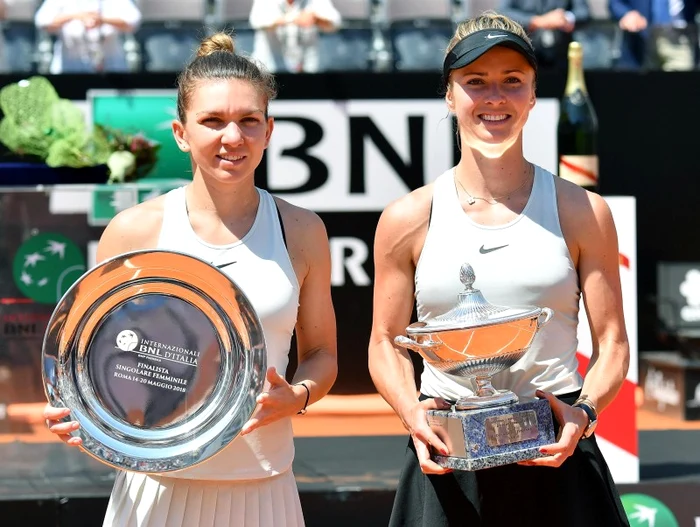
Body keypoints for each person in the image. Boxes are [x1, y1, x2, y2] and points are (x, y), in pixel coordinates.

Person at [43, 31, 338, 526]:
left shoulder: (303, 230)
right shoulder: (134, 229)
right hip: (154, 491)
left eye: (248, 121)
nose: (232, 137)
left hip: (264, 487)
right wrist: (76, 411)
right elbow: (94, 363)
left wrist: (298, 396)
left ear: (269, 130)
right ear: (180, 133)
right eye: (213, 121)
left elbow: (322, 354)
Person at [368, 11, 631, 527]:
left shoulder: (583, 211)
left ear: (533, 95)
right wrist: (412, 414)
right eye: (476, 82)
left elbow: (613, 343)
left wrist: (587, 413)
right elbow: (384, 341)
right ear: (449, 95)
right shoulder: (406, 218)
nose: (494, 98)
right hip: (447, 455)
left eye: (512, 82)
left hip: (559, 456)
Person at [34, 0, 141, 73]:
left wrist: (103, 20)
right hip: (70, 69)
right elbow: (42, 21)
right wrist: (75, 16)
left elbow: (134, 21)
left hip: (111, 68)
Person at [249, 0, 341, 73]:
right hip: (270, 70)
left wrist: (316, 19)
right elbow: (256, 21)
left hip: (308, 69)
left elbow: (336, 23)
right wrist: (291, 19)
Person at [499, 0, 591, 69]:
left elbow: (584, 13)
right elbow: (502, 12)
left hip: (561, 55)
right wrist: (536, 21)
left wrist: (565, 18)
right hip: (526, 53)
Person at [609, 0, 698, 70]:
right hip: (641, 38)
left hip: (681, 37)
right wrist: (626, 13)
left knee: (678, 87)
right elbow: (615, 3)